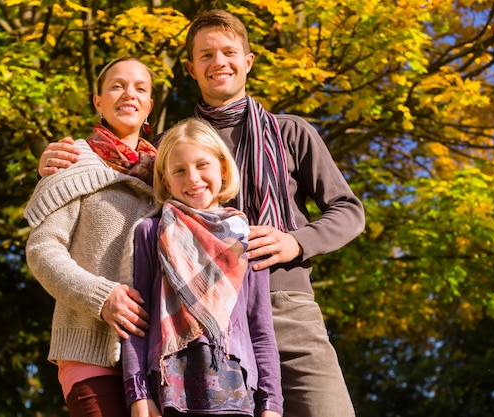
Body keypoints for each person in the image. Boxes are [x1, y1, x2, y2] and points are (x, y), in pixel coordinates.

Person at [37, 10, 365, 417]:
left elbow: (349, 210)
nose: (219, 62)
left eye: (229, 52)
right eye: (206, 55)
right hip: (196, 318)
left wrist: (296, 241)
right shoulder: (168, 148)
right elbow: (109, 175)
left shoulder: (291, 133)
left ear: (248, 61)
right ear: (191, 68)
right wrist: (57, 159)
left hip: (285, 305)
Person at [23, 56, 159, 417]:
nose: (129, 94)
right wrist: (101, 297)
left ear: (149, 106)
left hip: (157, 358)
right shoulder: (70, 161)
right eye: (117, 85)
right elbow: (42, 250)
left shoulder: (171, 173)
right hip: (89, 351)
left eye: (140, 88)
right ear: (98, 101)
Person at [123, 118, 283, 417]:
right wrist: (138, 395)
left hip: (236, 387)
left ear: (222, 169)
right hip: (170, 385)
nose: (192, 178)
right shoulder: (150, 232)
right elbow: (136, 322)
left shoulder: (247, 238)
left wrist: (272, 405)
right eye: (179, 171)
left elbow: (260, 328)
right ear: (166, 180)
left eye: (202, 165)